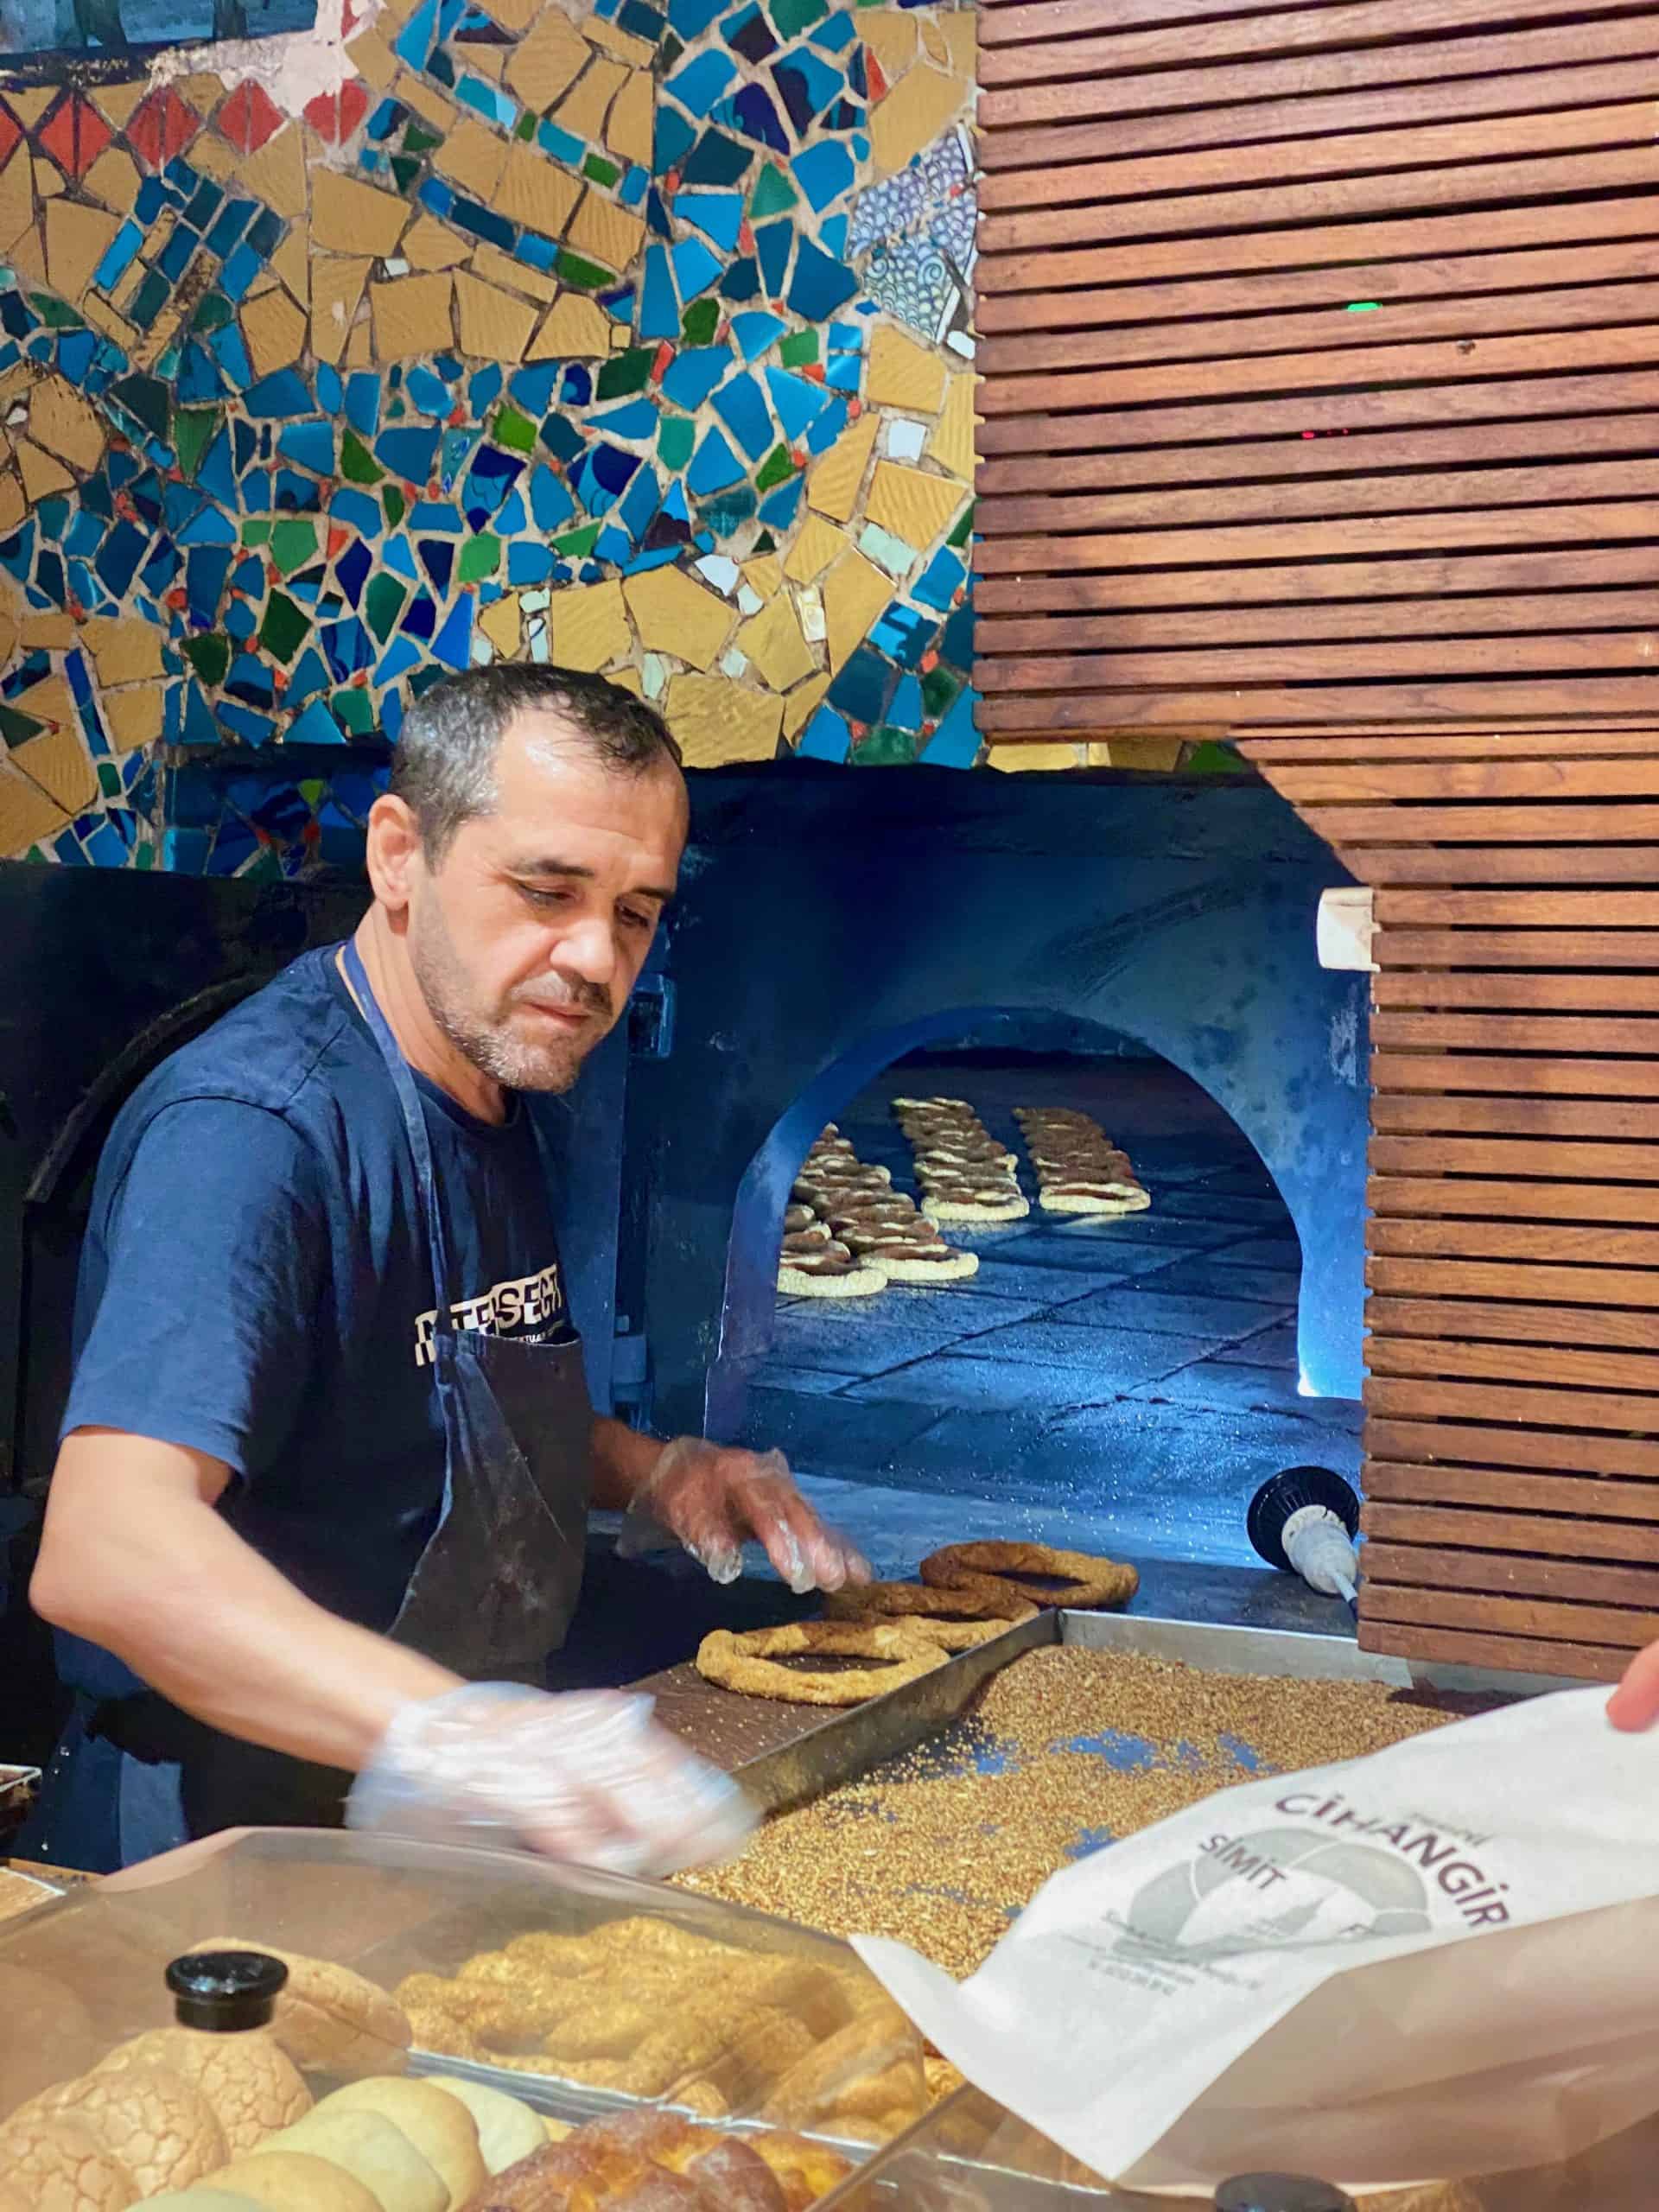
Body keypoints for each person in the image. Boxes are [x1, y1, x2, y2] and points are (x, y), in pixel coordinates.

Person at [25, 665, 868, 1874]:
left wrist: (652, 1471)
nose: (593, 959)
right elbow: (106, 1549)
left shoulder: (489, 1073)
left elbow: (433, 1401)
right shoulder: (257, 1132)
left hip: (416, 1820)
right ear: (397, 855)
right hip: (223, 1835)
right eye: (546, 889)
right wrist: (456, 1735)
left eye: (635, 912)